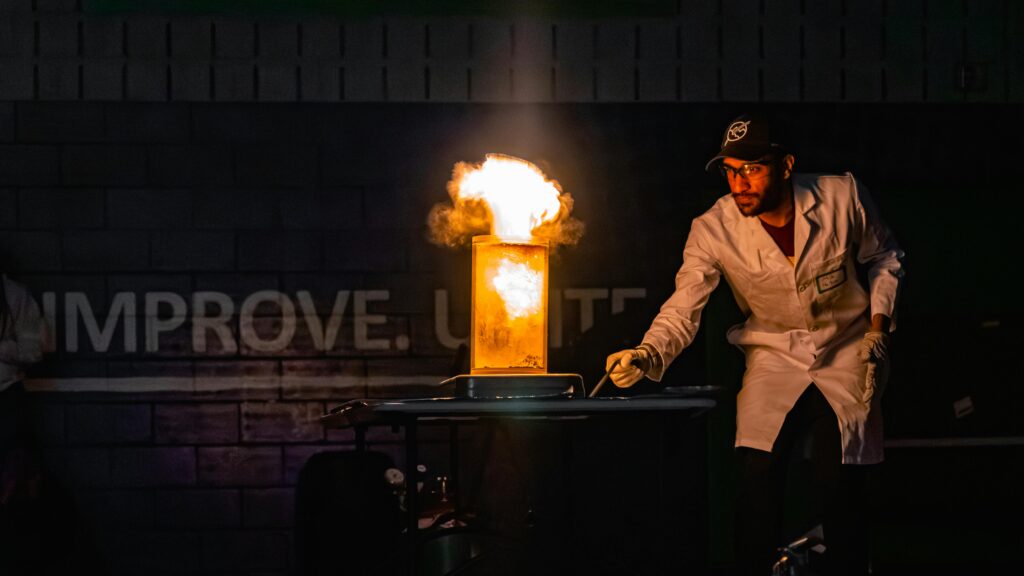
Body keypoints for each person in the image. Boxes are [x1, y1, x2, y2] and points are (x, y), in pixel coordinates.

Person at [605, 114, 904, 575]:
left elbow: (885, 257)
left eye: (752, 169)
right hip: (773, 354)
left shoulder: (841, 197)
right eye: (730, 171)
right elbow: (684, 306)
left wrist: (878, 329)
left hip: (848, 348)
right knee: (756, 475)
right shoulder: (713, 229)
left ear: (786, 165)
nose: (738, 184)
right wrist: (647, 353)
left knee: (840, 479)